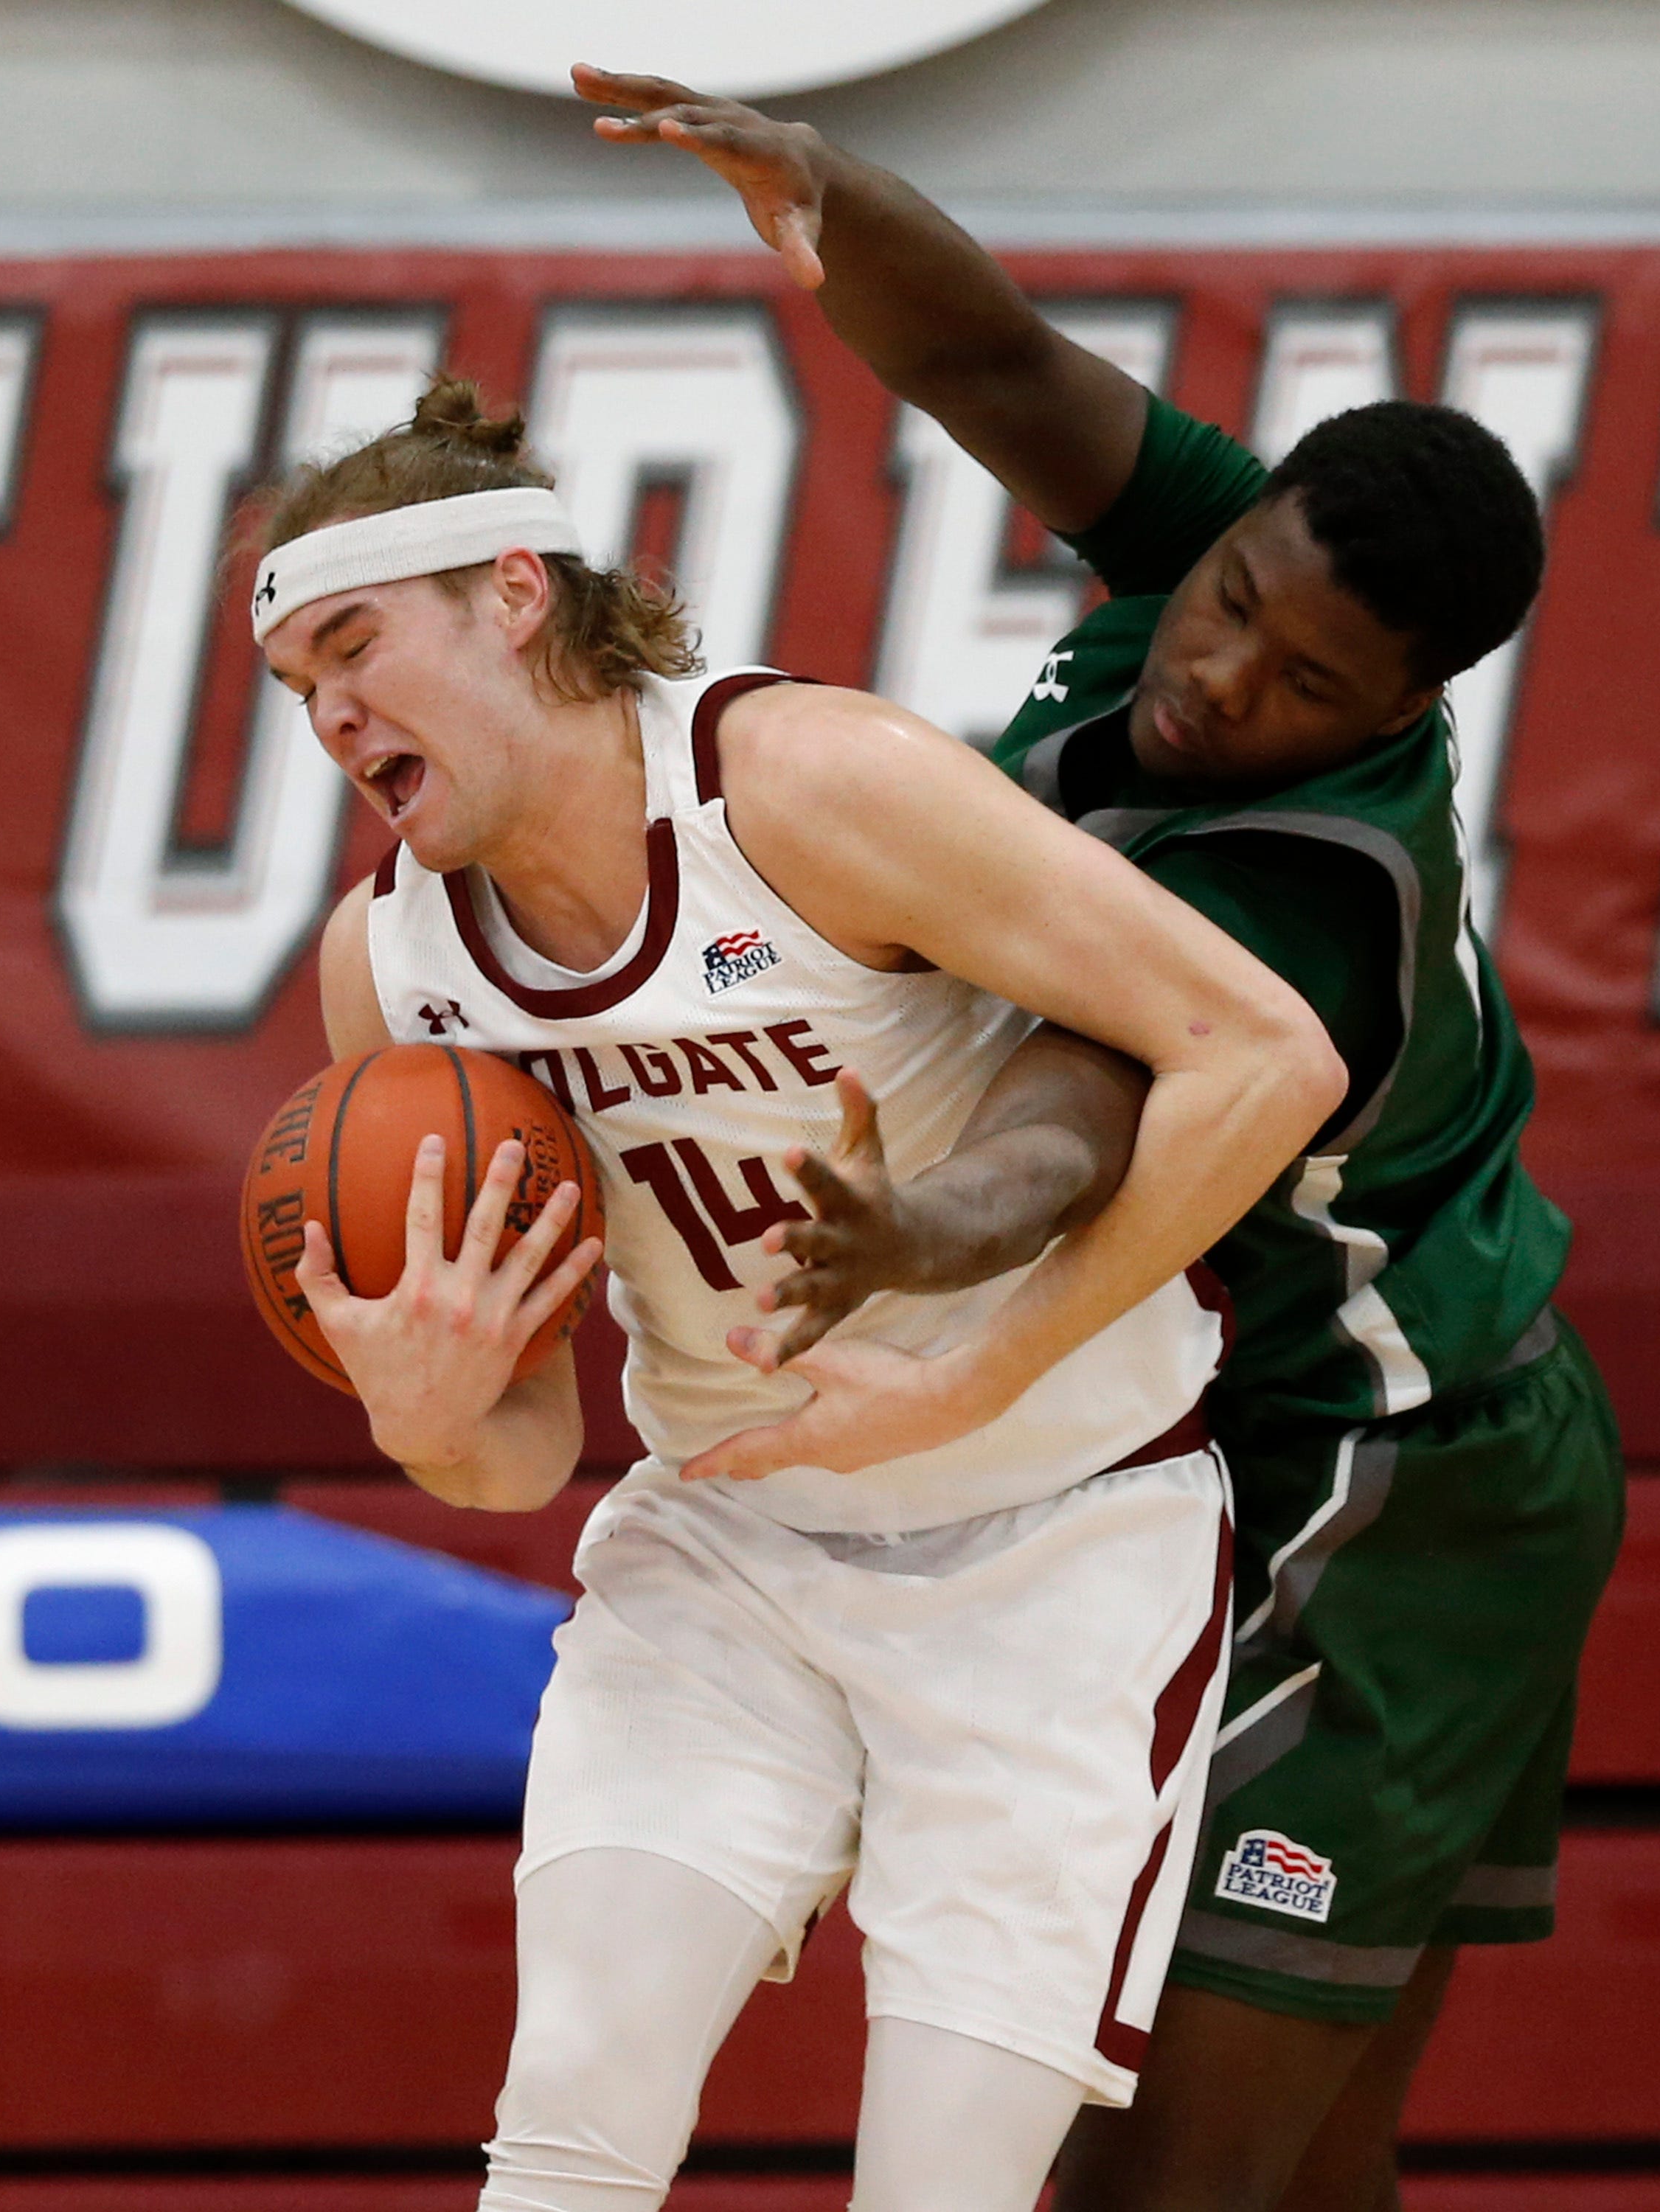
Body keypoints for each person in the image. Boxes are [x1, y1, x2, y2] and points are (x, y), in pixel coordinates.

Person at [576, 67, 1629, 2212]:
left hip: (1391, 1488)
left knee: (1142, 2182)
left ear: (1405, 709)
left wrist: (915, 1229)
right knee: (1290, 2179)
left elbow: (1064, 1126)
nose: (1222, 677)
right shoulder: (1230, 567)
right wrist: (820, 190)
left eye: (1303, 677)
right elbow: (989, 362)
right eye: (1232, 596)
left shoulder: (1307, 880)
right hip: (1317, 1436)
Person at [252, 378, 1342, 2212]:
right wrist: (426, 1415)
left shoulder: (806, 785)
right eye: (295, 687)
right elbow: (516, 1461)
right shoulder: (395, 967)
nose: (330, 712)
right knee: (567, 2134)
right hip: (730, 1552)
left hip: (1053, 1548)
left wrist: (974, 1373)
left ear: (515, 593)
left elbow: (1260, 1056)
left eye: (354, 643)